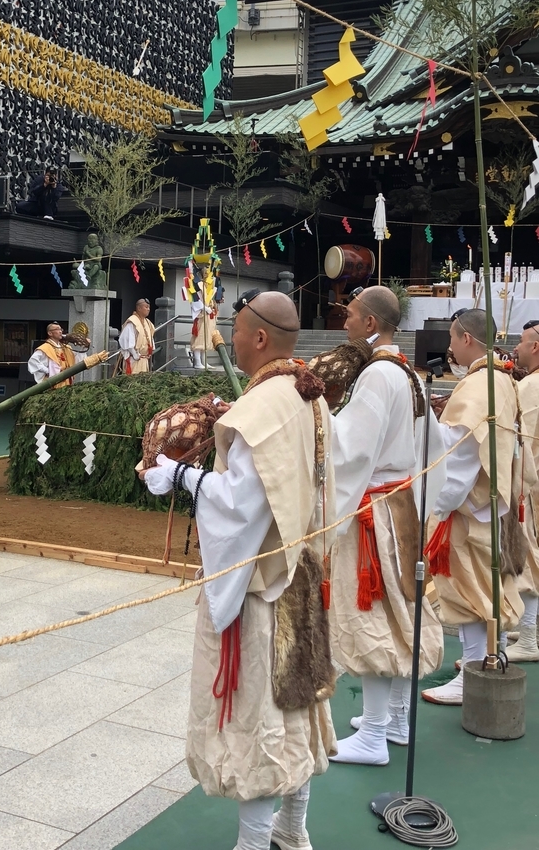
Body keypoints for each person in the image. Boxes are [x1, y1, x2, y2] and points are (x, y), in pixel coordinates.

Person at [141, 290, 337, 850]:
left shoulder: (263, 408)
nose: (227, 333)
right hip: (300, 569)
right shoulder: (309, 394)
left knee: (260, 722)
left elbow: (240, 502)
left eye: (234, 325)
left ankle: (254, 844)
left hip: (260, 585)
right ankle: (293, 832)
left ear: (257, 338)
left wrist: (176, 476)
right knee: (296, 708)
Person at [326, 286, 445, 765]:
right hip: (403, 506)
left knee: (373, 617)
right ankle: (395, 717)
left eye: (352, 316)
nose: (346, 323)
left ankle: (374, 734)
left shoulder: (377, 374)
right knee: (400, 615)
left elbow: (351, 448)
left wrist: (315, 423)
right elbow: (429, 445)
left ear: (372, 324)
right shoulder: (409, 374)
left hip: (375, 511)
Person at [423, 308, 526, 704]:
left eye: (451, 337)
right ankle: (486, 657)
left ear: (467, 338)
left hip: (469, 502)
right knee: (485, 585)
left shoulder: (478, 384)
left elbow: (462, 451)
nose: (448, 346)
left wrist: (441, 502)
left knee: (468, 589)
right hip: (492, 499)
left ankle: (474, 668)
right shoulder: (501, 378)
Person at [501, 320, 539, 662]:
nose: (518, 348)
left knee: (525, 558)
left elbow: (521, 442)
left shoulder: (532, 387)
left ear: (536, 347)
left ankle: (527, 637)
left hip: (528, 485)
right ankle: (525, 625)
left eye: (523, 342)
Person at [28, 322, 78, 387]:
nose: (60, 331)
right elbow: (33, 361)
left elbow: (75, 359)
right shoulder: (45, 348)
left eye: (61, 329)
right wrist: (49, 371)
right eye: (57, 329)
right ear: (50, 333)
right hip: (52, 381)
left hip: (66, 380)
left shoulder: (66, 347)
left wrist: (83, 346)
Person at [190, 268, 220, 370]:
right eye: (206, 273)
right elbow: (194, 299)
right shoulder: (198, 285)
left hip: (210, 314)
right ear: (202, 275)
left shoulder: (211, 286)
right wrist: (205, 308)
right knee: (200, 338)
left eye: (209, 273)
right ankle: (198, 362)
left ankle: (205, 361)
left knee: (207, 338)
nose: (208, 275)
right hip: (202, 313)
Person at [119, 298, 156, 374]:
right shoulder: (132, 322)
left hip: (144, 359)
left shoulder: (148, 322)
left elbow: (150, 337)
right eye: (146, 307)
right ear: (139, 308)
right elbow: (127, 341)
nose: (148, 309)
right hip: (134, 359)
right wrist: (135, 354)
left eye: (149, 307)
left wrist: (150, 351)